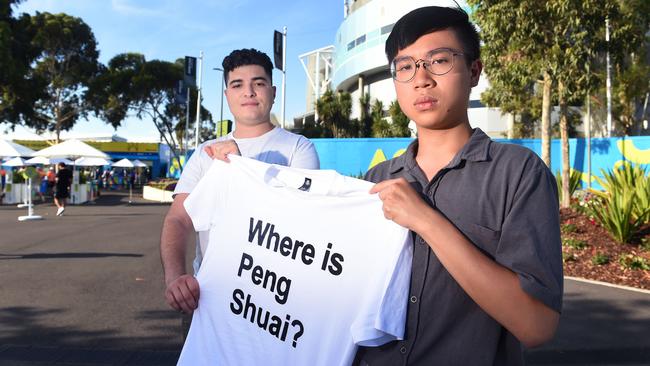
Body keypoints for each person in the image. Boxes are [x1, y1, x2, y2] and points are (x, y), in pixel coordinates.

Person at [353, 6, 563, 365]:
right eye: (405, 67)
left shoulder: (517, 173)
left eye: (439, 61)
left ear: (474, 71)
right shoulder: (375, 182)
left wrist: (426, 221)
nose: (421, 79)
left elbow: (537, 325)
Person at [160, 48, 320, 318]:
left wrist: (240, 167)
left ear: (273, 91)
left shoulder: (299, 148)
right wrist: (175, 278)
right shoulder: (205, 152)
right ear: (227, 95)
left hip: (272, 301)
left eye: (258, 83)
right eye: (237, 84)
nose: (249, 91)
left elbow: (298, 223)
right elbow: (179, 219)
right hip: (207, 296)